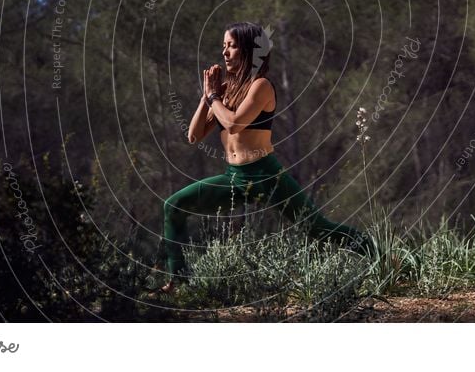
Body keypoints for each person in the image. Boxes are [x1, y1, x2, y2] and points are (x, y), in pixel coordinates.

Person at [158, 22, 373, 293]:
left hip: (265, 175)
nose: (224, 52)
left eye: (232, 45)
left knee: (318, 229)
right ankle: (178, 282)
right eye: (224, 45)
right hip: (234, 178)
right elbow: (194, 135)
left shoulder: (261, 86)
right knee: (173, 206)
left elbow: (235, 124)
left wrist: (214, 98)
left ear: (249, 50)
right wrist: (206, 97)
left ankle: (381, 258)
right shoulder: (227, 91)